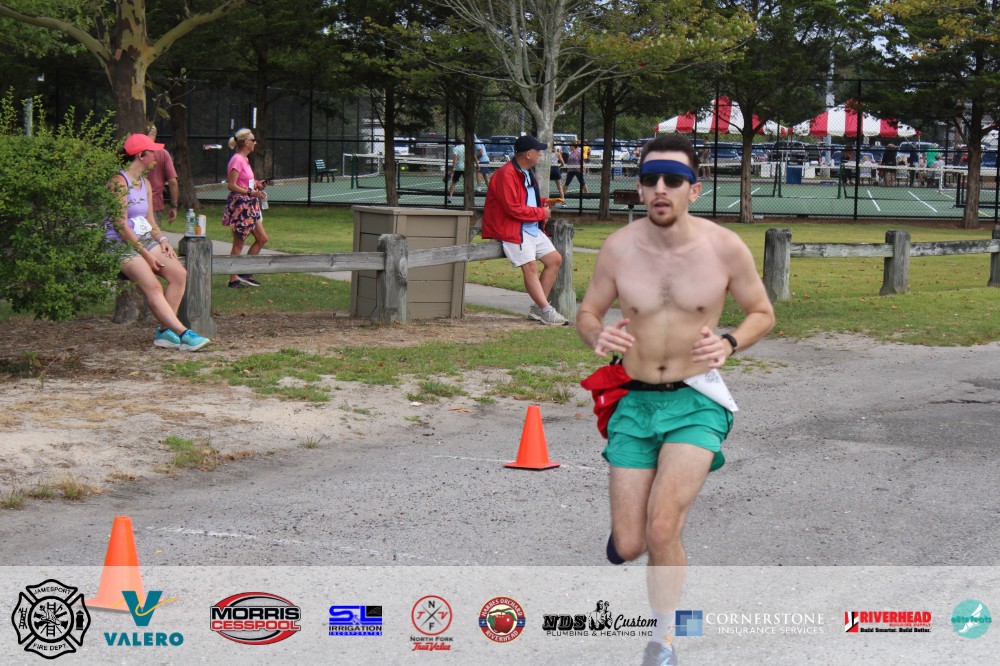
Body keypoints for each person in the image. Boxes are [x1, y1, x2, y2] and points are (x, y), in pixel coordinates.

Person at [576, 135, 774, 666]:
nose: (660, 188)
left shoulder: (724, 247)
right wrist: (596, 333)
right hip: (634, 403)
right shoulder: (619, 248)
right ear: (640, 188)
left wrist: (729, 342)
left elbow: (762, 312)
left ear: (694, 189)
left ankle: (662, 641)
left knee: (664, 526)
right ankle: (628, 539)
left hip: (695, 401)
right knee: (632, 543)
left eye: (673, 179)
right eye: (650, 179)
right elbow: (588, 312)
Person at [107, 134, 211, 352]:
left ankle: (165, 332)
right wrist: (146, 255)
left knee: (179, 274)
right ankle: (184, 333)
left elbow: (150, 221)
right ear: (140, 155)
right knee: (153, 286)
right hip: (120, 244)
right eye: (152, 152)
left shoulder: (145, 183)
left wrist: (162, 240)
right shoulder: (118, 182)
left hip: (143, 239)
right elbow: (121, 226)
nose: (156, 155)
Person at [482, 135, 567, 326]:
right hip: (513, 229)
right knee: (530, 267)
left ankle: (539, 308)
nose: (540, 154)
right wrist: (541, 212)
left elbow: (525, 200)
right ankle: (546, 310)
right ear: (528, 154)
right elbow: (512, 208)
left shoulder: (526, 171)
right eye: (538, 151)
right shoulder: (506, 174)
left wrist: (544, 202)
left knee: (554, 260)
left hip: (530, 227)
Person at [222, 128, 268, 289]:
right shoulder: (237, 160)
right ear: (246, 143)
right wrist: (250, 192)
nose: (255, 143)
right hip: (241, 206)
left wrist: (258, 184)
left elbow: (246, 181)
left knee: (262, 238)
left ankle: (244, 271)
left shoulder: (245, 160)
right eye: (253, 140)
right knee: (239, 243)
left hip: (250, 205)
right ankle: (233, 279)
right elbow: (232, 185)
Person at [145, 126, 179, 225]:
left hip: (135, 204)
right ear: (155, 135)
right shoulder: (163, 154)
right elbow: (173, 182)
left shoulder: (136, 152)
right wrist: (174, 206)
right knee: (154, 233)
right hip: (155, 205)